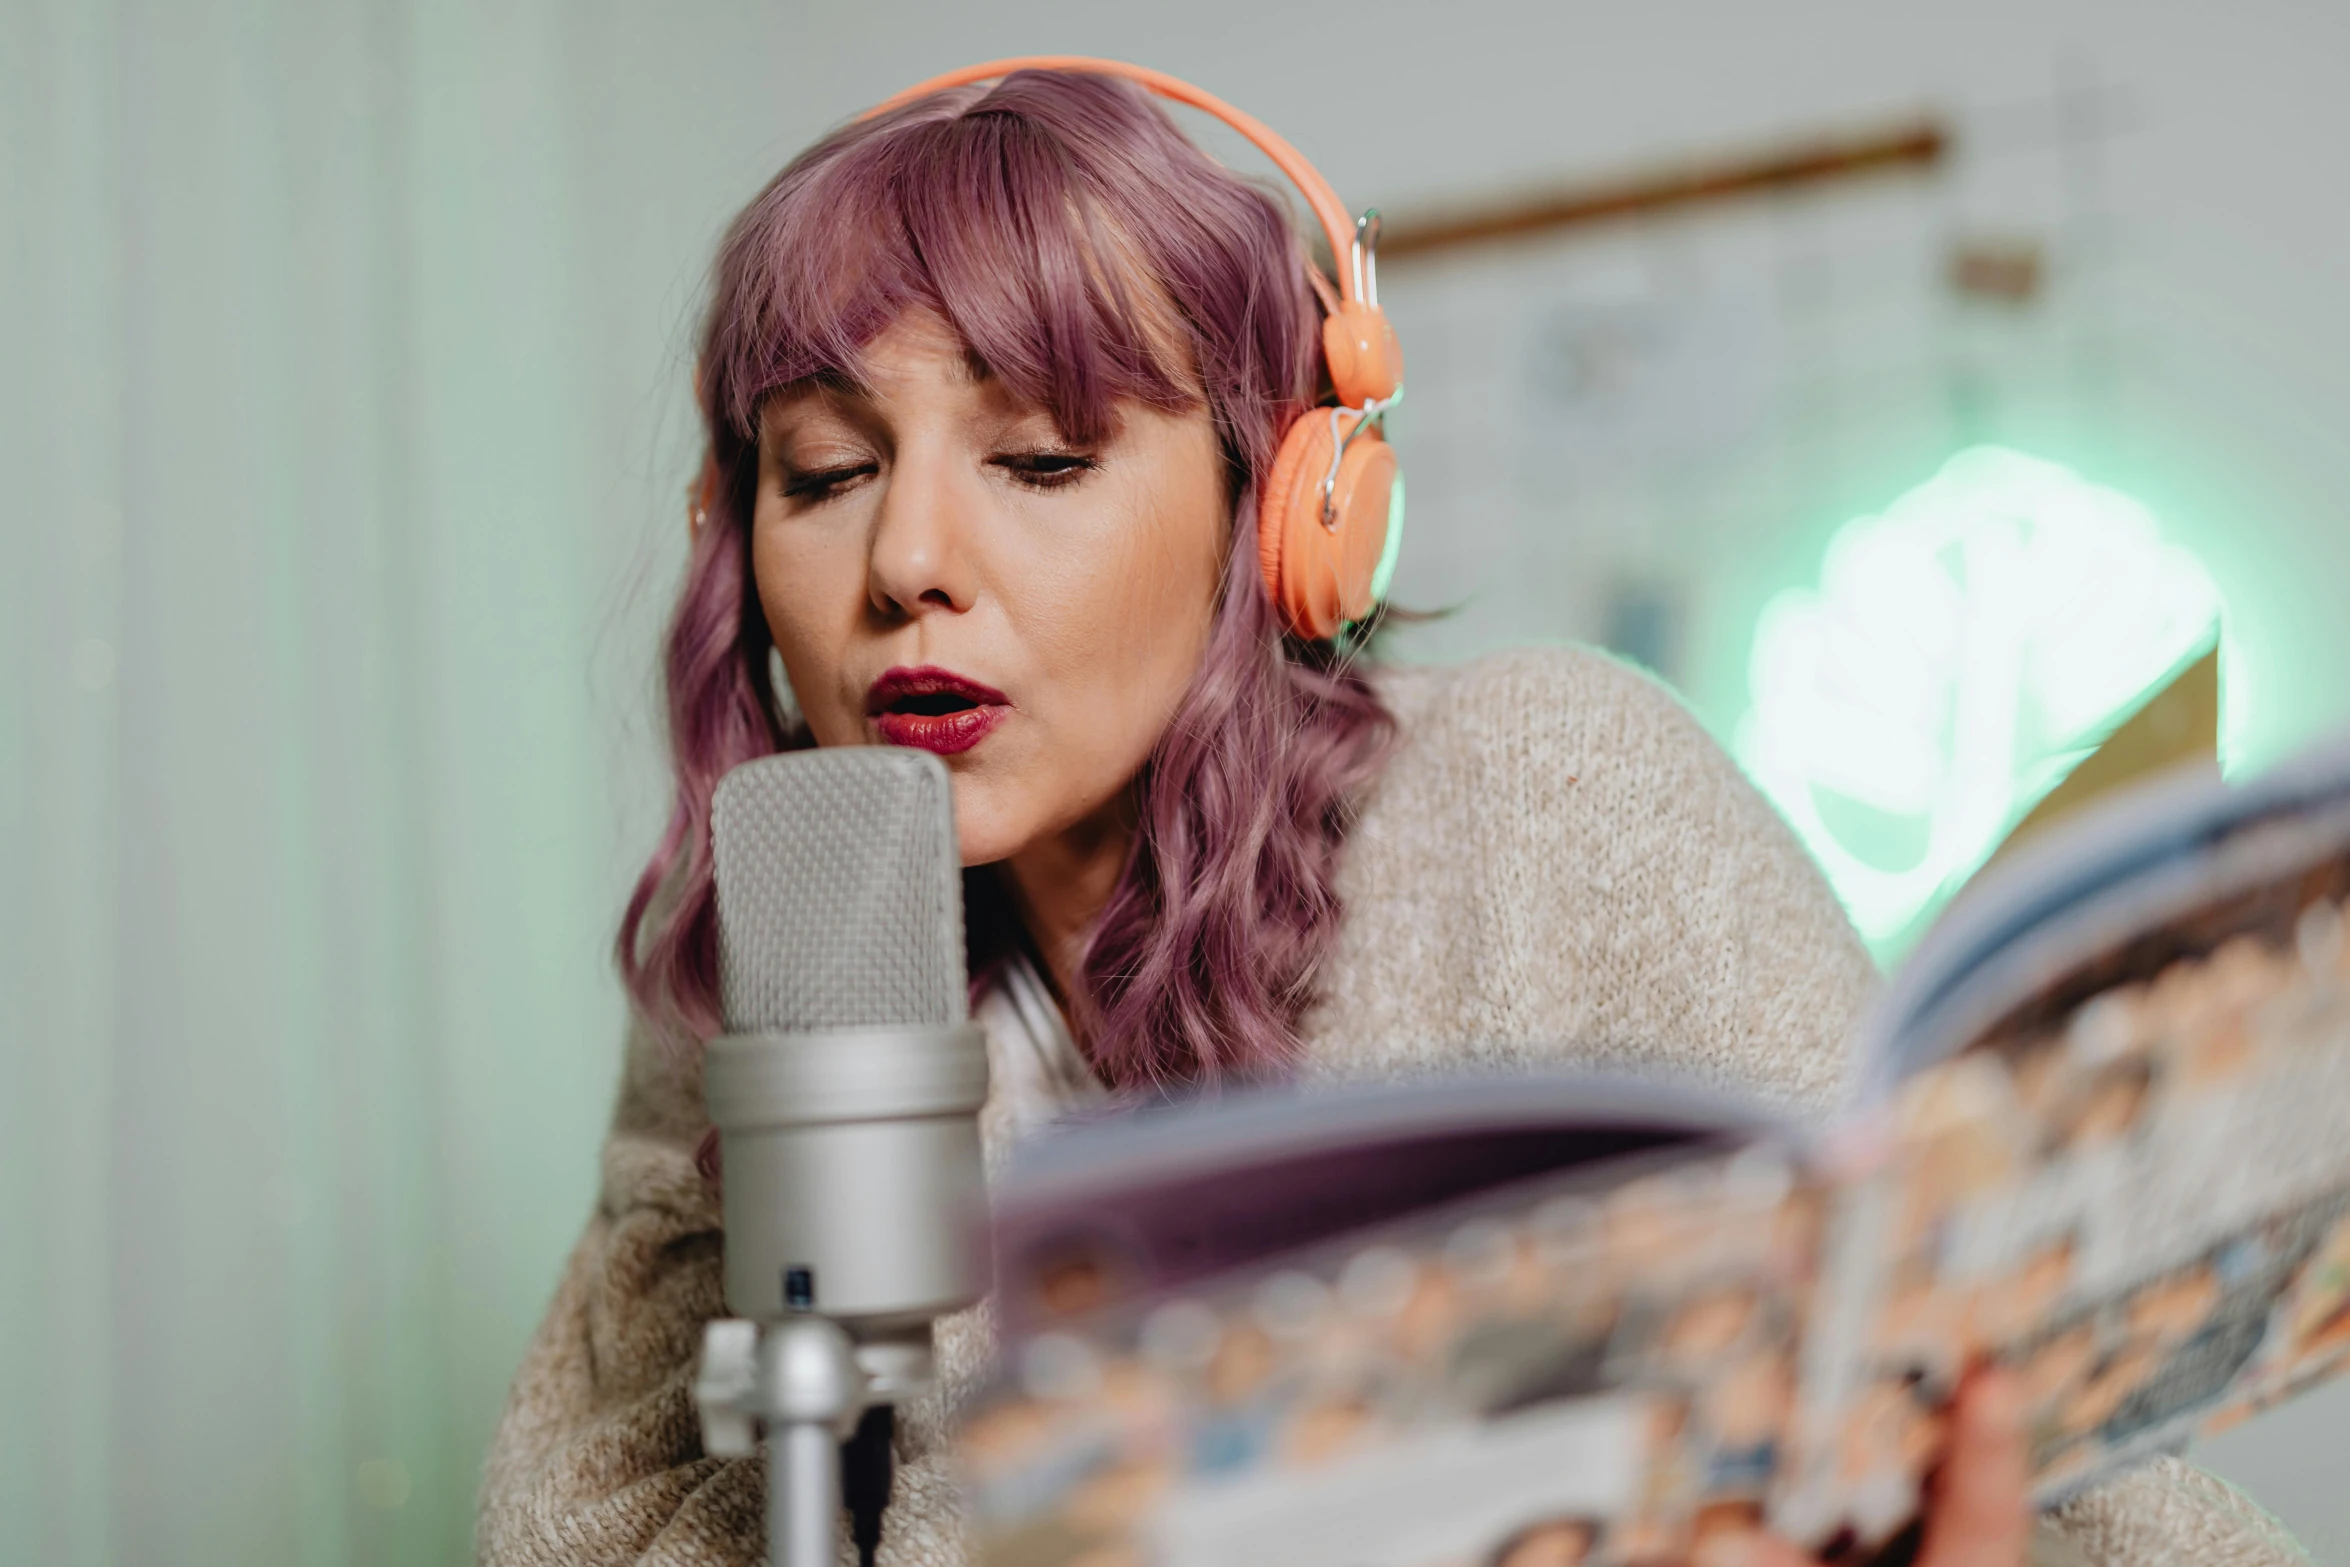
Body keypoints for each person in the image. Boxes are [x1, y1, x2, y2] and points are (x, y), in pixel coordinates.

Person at [474, 63, 2303, 1567]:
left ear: (1283, 508)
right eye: (826, 472)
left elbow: (2103, 1493)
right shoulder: (780, 936)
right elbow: (575, 1524)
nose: (908, 562)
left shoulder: (1543, 799)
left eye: (1038, 457)